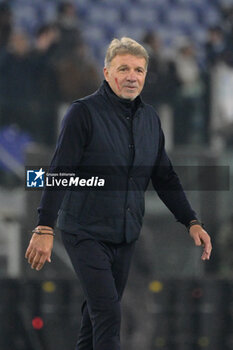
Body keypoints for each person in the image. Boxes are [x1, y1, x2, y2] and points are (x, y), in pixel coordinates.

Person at [25, 37, 212, 350]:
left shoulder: (150, 120)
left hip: (125, 235)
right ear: (107, 73)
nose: (132, 76)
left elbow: (164, 176)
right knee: (109, 312)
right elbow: (59, 171)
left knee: (94, 319)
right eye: (123, 68)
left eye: (139, 70)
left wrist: (191, 220)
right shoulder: (82, 113)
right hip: (84, 231)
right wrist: (44, 227)